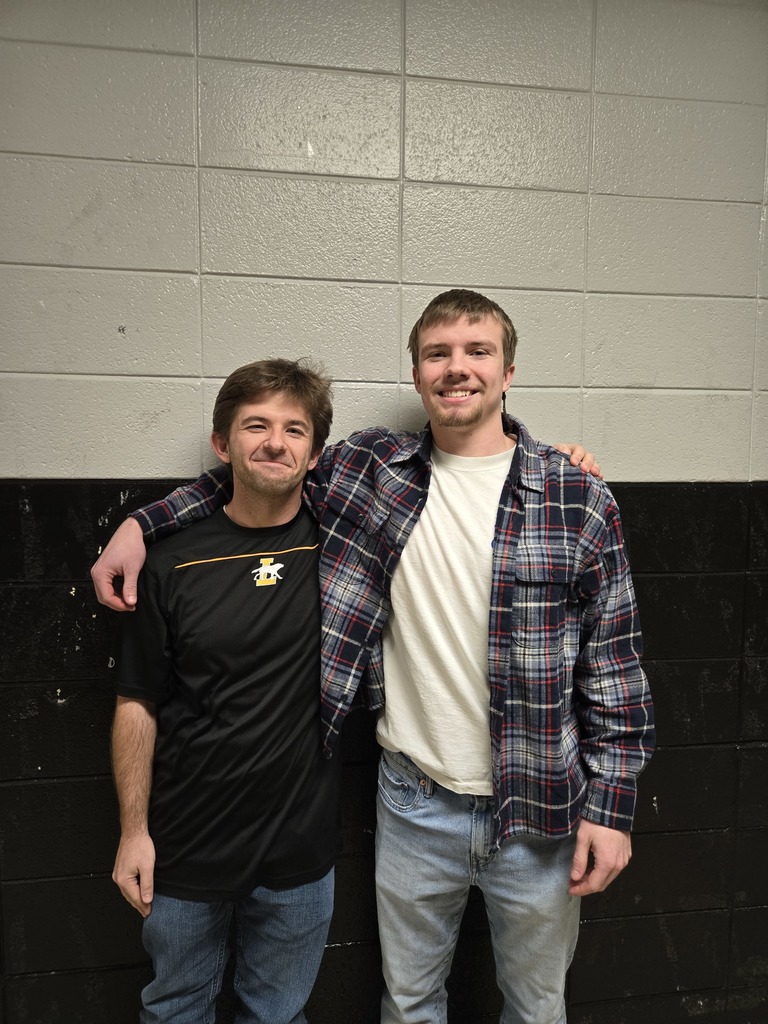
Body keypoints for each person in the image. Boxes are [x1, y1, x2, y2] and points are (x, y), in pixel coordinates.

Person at [94, 289, 653, 1024]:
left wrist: (612, 809)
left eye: (477, 351)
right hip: (415, 804)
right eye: (437, 354)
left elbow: (614, 666)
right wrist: (144, 522)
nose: (457, 369)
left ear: (509, 371)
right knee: (410, 1002)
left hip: (541, 809)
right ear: (417, 374)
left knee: (538, 1006)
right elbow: (262, 471)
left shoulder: (575, 495)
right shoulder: (368, 471)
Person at [110, 359, 340, 1024]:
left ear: (315, 452)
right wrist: (133, 833)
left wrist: (551, 456)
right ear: (222, 443)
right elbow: (137, 701)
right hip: (184, 851)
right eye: (256, 425)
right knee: (175, 1010)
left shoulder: (344, 548)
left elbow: (459, 469)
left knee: (277, 1016)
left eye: (294, 429)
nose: (275, 442)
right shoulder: (172, 560)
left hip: (300, 856)